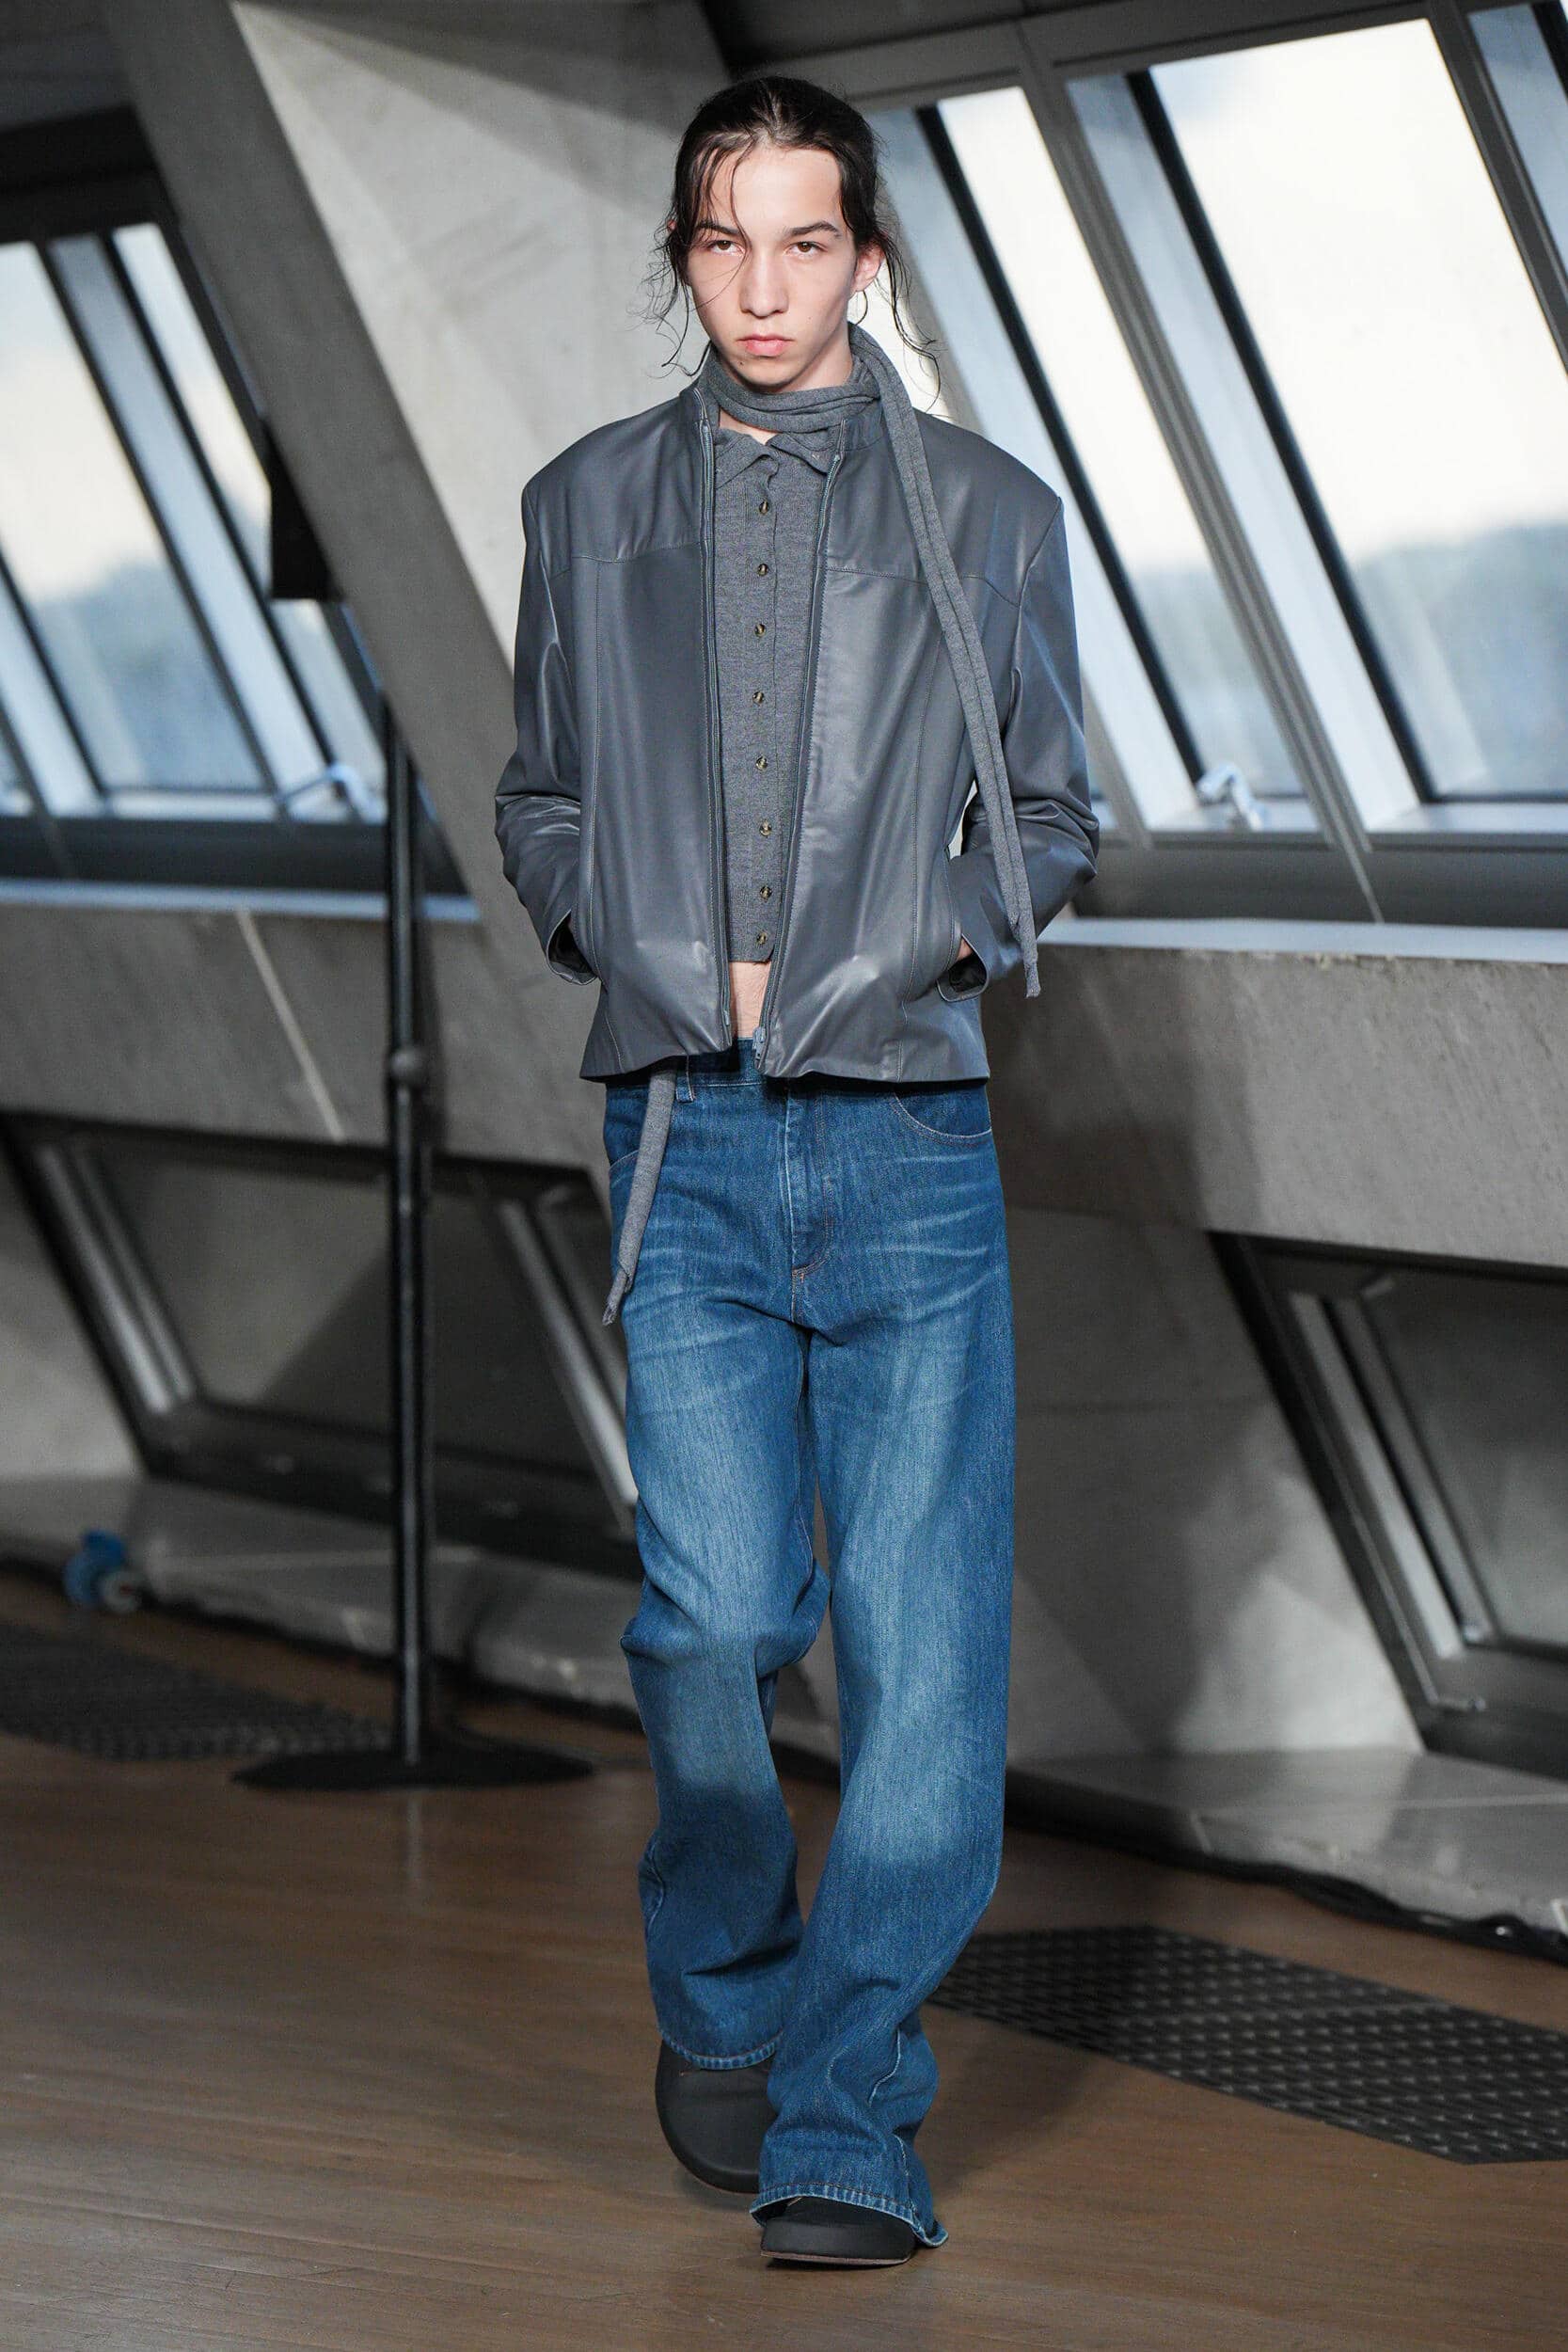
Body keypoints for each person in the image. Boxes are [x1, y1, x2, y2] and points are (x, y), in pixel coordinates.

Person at [495, 72, 1097, 2267]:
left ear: (868, 258)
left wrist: (894, 947)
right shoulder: (582, 506)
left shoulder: (993, 515)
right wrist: (647, 944)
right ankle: (730, 1989)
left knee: (922, 1663)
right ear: (683, 255)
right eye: (725, 241)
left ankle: (845, 2111)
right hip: (686, 1132)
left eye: (806, 240)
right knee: (715, 1620)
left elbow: (1053, 814)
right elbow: (540, 797)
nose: (764, 287)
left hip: (909, 1135)